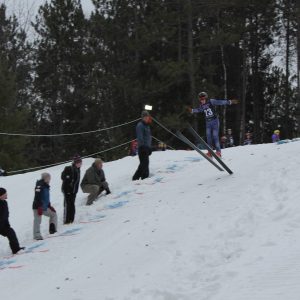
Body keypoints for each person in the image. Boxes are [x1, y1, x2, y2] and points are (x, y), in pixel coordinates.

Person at [189, 92, 238, 157]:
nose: (202, 101)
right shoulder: (201, 105)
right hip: (208, 123)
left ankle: (218, 152)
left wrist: (229, 102)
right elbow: (199, 110)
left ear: (206, 98)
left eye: (203, 99)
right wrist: (192, 110)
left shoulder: (211, 101)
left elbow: (220, 102)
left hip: (215, 121)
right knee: (208, 137)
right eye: (201, 99)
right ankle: (210, 151)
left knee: (215, 136)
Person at [32, 173, 57, 240]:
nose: (50, 179)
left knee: (53, 214)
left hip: (45, 207)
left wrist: (49, 206)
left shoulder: (46, 185)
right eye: (49, 178)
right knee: (37, 220)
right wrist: (39, 207)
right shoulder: (39, 185)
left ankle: (53, 230)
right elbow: (37, 197)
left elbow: (46, 197)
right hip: (38, 207)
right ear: (45, 178)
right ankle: (37, 236)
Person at [0, 188, 25, 254]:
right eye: (5, 194)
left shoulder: (4, 202)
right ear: (1, 195)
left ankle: (16, 249)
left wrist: (7, 225)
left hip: (3, 226)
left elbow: (5, 215)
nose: (6, 194)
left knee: (11, 232)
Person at [61, 155, 82, 224]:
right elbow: (63, 177)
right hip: (67, 190)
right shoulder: (69, 168)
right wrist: (68, 189)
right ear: (75, 162)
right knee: (67, 205)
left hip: (74, 191)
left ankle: (71, 219)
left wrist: (74, 190)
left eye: (81, 162)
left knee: (72, 204)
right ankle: (66, 220)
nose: (80, 164)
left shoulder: (78, 170)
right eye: (79, 162)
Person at [132, 110, 152, 180]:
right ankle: (144, 177)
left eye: (147, 117)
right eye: (145, 117)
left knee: (143, 163)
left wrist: (149, 147)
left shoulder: (147, 126)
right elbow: (140, 137)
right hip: (142, 148)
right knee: (145, 163)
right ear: (142, 118)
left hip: (146, 147)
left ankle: (135, 177)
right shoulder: (140, 125)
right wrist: (143, 147)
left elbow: (148, 137)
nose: (147, 118)